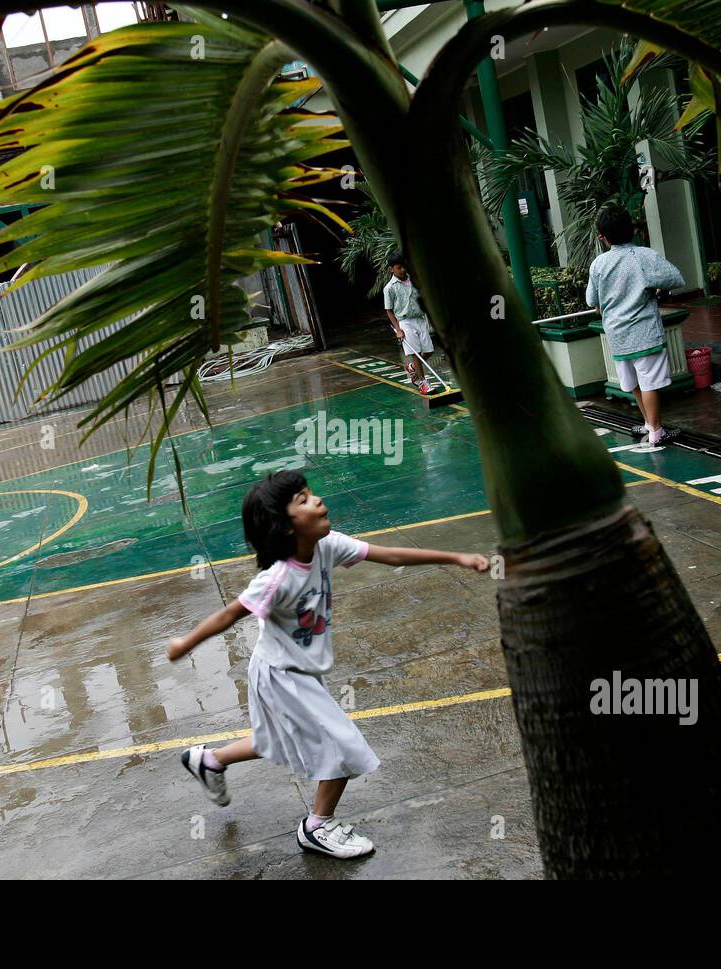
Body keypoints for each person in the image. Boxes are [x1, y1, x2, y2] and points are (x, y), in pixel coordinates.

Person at [168, 471, 489, 859]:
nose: (317, 500)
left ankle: (209, 760)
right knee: (341, 746)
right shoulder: (277, 579)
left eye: (311, 493)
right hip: (281, 676)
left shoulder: (328, 547)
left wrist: (455, 556)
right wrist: (186, 642)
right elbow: (230, 614)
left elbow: (391, 555)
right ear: (285, 528)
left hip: (293, 671)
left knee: (277, 741)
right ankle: (317, 826)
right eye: (303, 500)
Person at [586, 207, 685, 445]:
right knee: (650, 381)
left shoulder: (599, 264)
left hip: (617, 335)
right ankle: (656, 432)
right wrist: (654, 288)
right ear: (632, 229)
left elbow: (592, 301)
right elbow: (676, 278)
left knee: (634, 384)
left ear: (603, 236)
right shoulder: (644, 256)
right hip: (645, 332)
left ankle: (649, 425)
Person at [383, 251, 437, 394]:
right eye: (399, 267)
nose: (403, 270)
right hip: (405, 322)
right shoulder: (389, 288)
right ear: (391, 269)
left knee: (429, 351)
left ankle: (412, 367)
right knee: (416, 353)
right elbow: (389, 310)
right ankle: (423, 383)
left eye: (404, 266)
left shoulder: (415, 280)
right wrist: (398, 329)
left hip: (420, 318)